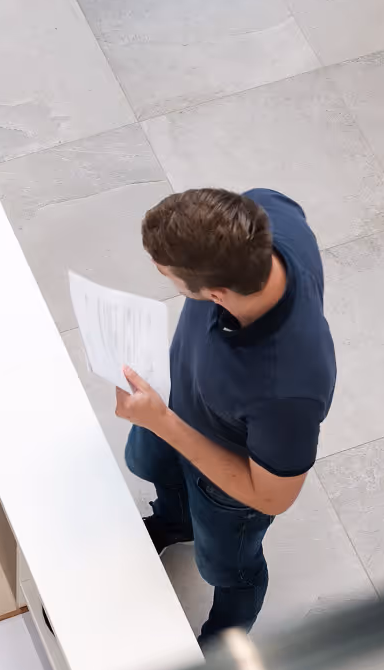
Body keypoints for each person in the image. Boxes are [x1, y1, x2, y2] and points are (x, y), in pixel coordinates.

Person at [115, 188, 337, 640]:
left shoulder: (288, 392)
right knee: (149, 463)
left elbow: (273, 497)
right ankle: (175, 523)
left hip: (227, 480)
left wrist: (162, 423)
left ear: (215, 293)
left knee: (229, 567)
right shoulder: (268, 211)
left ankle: (224, 643)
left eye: (171, 279)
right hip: (182, 405)